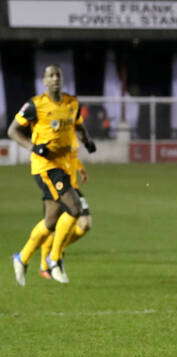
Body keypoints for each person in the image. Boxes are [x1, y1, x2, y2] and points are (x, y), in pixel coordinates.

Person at [10, 64, 96, 286]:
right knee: (75, 209)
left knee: (50, 221)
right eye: (51, 75)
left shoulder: (71, 103)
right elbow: (13, 131)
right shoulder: (35, 105)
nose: (55, 78)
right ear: (44, 81)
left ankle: (22, 257)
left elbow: (78, 125)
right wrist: (33, 147)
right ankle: (55, 259)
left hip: (65, 167)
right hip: (46, 166)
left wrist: (87, 141)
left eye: (58, 75)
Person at [38, 135, 94, 279]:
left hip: (73, 187)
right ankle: (44, 264)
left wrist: (80, 168)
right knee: (53, 225)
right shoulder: (55, 130)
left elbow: (72, 156)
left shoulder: (70, 128)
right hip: (61, 186)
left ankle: (55, 252)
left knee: (85, 224)